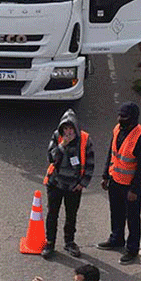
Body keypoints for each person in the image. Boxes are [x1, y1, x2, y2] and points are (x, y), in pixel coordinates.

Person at [97, 102, 141, 264]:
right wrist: (106, 175)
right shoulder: (117, 129)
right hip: (115, 181)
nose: (120, 119)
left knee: (133, 218)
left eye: (124, 117)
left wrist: (134, 189)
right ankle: (116, 238)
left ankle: (132, 248)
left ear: (133, 119)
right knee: (116, 212)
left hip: (130, 187)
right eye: (119, 116)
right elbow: (111, 153)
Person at [43, 109, 95, 259]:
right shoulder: (57, 137)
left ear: (76, 128)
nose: (68, 132)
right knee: (52, 214)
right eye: (65, 129)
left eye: (70, 128)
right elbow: (51, 158)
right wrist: (62, 145)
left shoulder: (85, 140)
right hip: (56, 184)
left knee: (71, 215)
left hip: (73, 186)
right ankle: (50, 242)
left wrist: (83, 183)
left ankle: (69, 242)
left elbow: (90, 163)